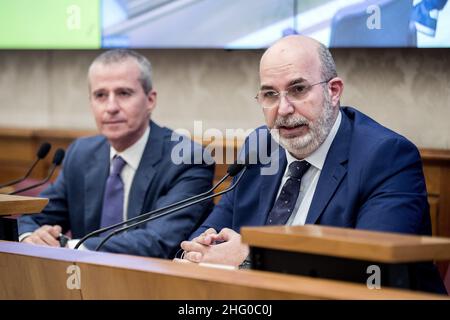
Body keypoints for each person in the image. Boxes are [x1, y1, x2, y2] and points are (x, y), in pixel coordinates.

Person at [180, 35, 446, 293]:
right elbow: (205, 235)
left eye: (298, 90)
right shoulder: (260, 147)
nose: (283, 109)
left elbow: (373, 271)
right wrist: (198, 249)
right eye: (270, 94)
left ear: (333, 91)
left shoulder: (387, 157)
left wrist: (252, 259)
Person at [18, 49, 214, 258]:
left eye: (123, 93)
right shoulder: (81, 153)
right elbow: (36, 215)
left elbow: (158, 241)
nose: (111, 107)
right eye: (100, 95)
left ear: (150, 100)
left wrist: (68, 247)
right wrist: (31, 237)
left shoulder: (187, 159)